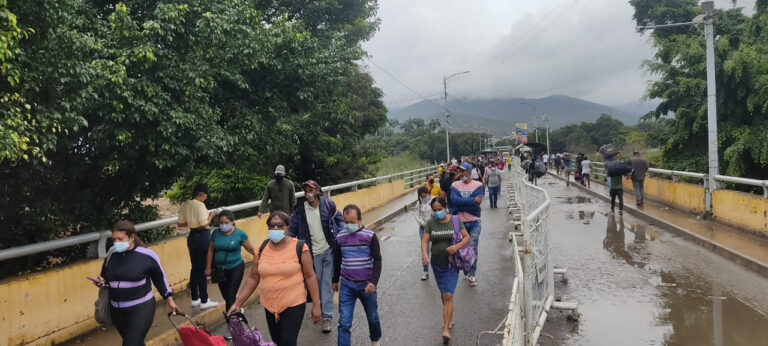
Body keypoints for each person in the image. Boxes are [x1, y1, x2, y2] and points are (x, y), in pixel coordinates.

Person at [228, 211, 322, 346]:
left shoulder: (299, 247)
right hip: (269, 305)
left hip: (293, 303)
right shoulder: (261, 248)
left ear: (287, 227)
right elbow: (253, 277)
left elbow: (310, 276)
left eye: (279, 225)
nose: (275, 229)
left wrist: (316, 305)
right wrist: (238, 303)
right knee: (277, 342)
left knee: (287, 342)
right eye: (272, 226)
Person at [94, 220, 178, 346]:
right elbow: (105, 275)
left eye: (120, 239)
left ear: (132, 237)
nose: (117, 243)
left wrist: (169, 299)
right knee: (136, 343)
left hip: (141, 308)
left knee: (130, 343)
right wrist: (102, 281)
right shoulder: (112, 254)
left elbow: (160, 278)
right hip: (117, 310)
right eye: (114, 240)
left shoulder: (147, 255)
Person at [289, 180, 343, 333]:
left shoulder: (327, 205)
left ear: (318, 190)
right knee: (317, 282)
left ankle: (327, 317)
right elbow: (293, 230)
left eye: (311, 189)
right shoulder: (300, 210)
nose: (308, 192)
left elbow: (339, 218)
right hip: (312, 253)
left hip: (328, 250)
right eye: (306, 189)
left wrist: (340, 234)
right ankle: (318, 306)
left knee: (326, 283)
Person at [421, 197, 471, 343]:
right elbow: (424, 240)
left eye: (439, 209)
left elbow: (466, 238)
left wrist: (456, 247)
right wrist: (424, 253)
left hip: (452, 264)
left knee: (448, 295)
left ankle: (445, 330)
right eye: (434, 210)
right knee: (444, 294)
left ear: (445, 207)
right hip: (437, 265)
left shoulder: (455, 221)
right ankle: (449, 315)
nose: (437, 212)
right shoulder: (430, 223)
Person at [332, 205, 383, 346]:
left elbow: (377, 260)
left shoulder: (370, 235)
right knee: (344, 322)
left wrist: (373, 282)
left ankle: (375, 339)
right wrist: (335, 280)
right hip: (347, 285)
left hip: (367, 285)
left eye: (352, 222)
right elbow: (337, 260)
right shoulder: (340, 237)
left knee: (372, 317)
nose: (349, 225)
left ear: (360, 219)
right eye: (346, 222)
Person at [177, 183, 219, 309]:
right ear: (201, 194)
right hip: (202, 237)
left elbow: (181, 224)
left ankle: (195, 298)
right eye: (206, 195)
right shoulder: (200, 205)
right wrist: (211, 215)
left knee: (195, 268)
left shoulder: (185, 204)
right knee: (203, 268)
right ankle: (204, 300)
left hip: (192, 237)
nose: (206, 197)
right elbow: (204, 224)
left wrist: (191, 221)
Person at [205, 210, 255, 312]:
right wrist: (208, 267)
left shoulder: (240, 234)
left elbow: (251, 249)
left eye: (226, 223)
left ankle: (231, 320)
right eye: (221, 223)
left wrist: (260, 258)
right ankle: (236, 308)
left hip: (235, 267)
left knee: (231, 295)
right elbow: (210, 250)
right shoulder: (215, 233)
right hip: (219, 270)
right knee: (226, 296)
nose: (223, 225)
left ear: (232, 222)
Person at [450, 163, 484, 286]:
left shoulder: (478, 185)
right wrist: (471, 200)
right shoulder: (454, 185)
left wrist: (462, 203)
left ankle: (472, 274)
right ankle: (466, 267)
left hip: (474, 221)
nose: (460, 173)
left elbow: (478, 203)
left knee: (473, 247)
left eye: (463, 171)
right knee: (461, 248)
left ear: (469, 172)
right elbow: (454, 201)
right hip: (459, 223)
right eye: (459, 170)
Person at [415, 186, 434, 280]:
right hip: (423, 228)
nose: (423, 196)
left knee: (437, 248)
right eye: (421, 194)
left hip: (434, 227)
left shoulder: (434, 200)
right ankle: (425, 271)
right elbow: (417, 215)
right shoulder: (419, 203)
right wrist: (423, 224)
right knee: (425, 249)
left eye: (424, 194)